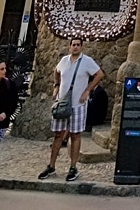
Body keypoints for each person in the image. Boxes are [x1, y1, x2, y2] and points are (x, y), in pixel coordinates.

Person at [38, 38, 104, 183]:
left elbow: (99, 74)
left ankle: (73, 167)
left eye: (78, 45)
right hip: (62, 103)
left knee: (75, 135)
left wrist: (87, 90)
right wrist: (56, 86)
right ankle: (51, 165)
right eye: (73, 45)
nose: (75, 47)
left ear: (81, 47)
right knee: (58, 135)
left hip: (78, 104)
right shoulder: (64, 61)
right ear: (69, 47)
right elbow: (56, 71)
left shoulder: (87, 61)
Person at [0, 60, 17, 196]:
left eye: (5, 68)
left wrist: (6, 113)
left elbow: (14, 102)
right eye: (1, 69)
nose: (4, 71)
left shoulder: (8, 85)